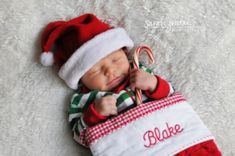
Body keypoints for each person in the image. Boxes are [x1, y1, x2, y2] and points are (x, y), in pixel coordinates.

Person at [39, 13, 221, 155]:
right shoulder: (84, 100)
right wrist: (94, 114)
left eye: (116, 60)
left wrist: (154, 84)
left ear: (125, 54)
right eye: (94, 71)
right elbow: (81, 136)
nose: (110, 71)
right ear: (80, 79)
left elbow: (170, 94)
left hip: (180, 139)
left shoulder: (138, 72)